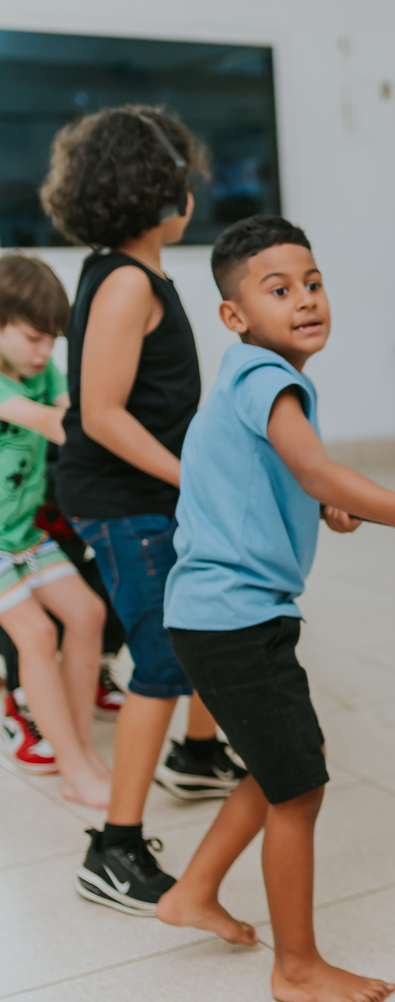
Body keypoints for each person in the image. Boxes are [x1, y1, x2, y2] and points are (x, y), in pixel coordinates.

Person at [158, 215, 395, 1002]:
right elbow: (313, 468)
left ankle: (194, 890)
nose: (304, 300)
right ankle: (296, 966)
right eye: (278, 290)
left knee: (289, 759)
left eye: (312, 283)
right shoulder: (266, 377)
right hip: (234, 618)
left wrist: (323, 509)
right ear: (235, 315)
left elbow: (280, 479)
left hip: (220, 612)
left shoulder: (249, 375)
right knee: (298, 787)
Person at [41, 106, 247, 915]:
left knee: (201, 617)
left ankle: (196, 756)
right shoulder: (126, 281)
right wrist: (192, 477)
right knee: (164, 657)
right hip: (122, 502)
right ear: (157, 191)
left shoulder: (130, 272)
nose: (191, 188)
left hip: (144, 493)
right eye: (181, 176)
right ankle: (114, 848)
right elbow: (102, 414)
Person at [0, 253, 110, 807]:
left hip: (22, 534)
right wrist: (111, 427)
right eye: (32, 337)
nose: (45, 351)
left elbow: (72, 405)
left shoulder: (44, 370)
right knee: (37, 635)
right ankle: (71, 765)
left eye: (52, 339)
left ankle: (82, 753)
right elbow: (53, 422)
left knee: (87, 612)